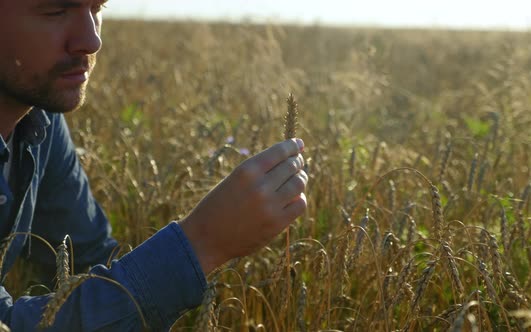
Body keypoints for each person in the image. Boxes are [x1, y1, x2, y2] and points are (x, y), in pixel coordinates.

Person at [0, 0, 308, 330]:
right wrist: (200, 244)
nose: (91, 40)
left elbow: (89, 260)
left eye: (97, 7)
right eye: (56, 10)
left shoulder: (39, 120)